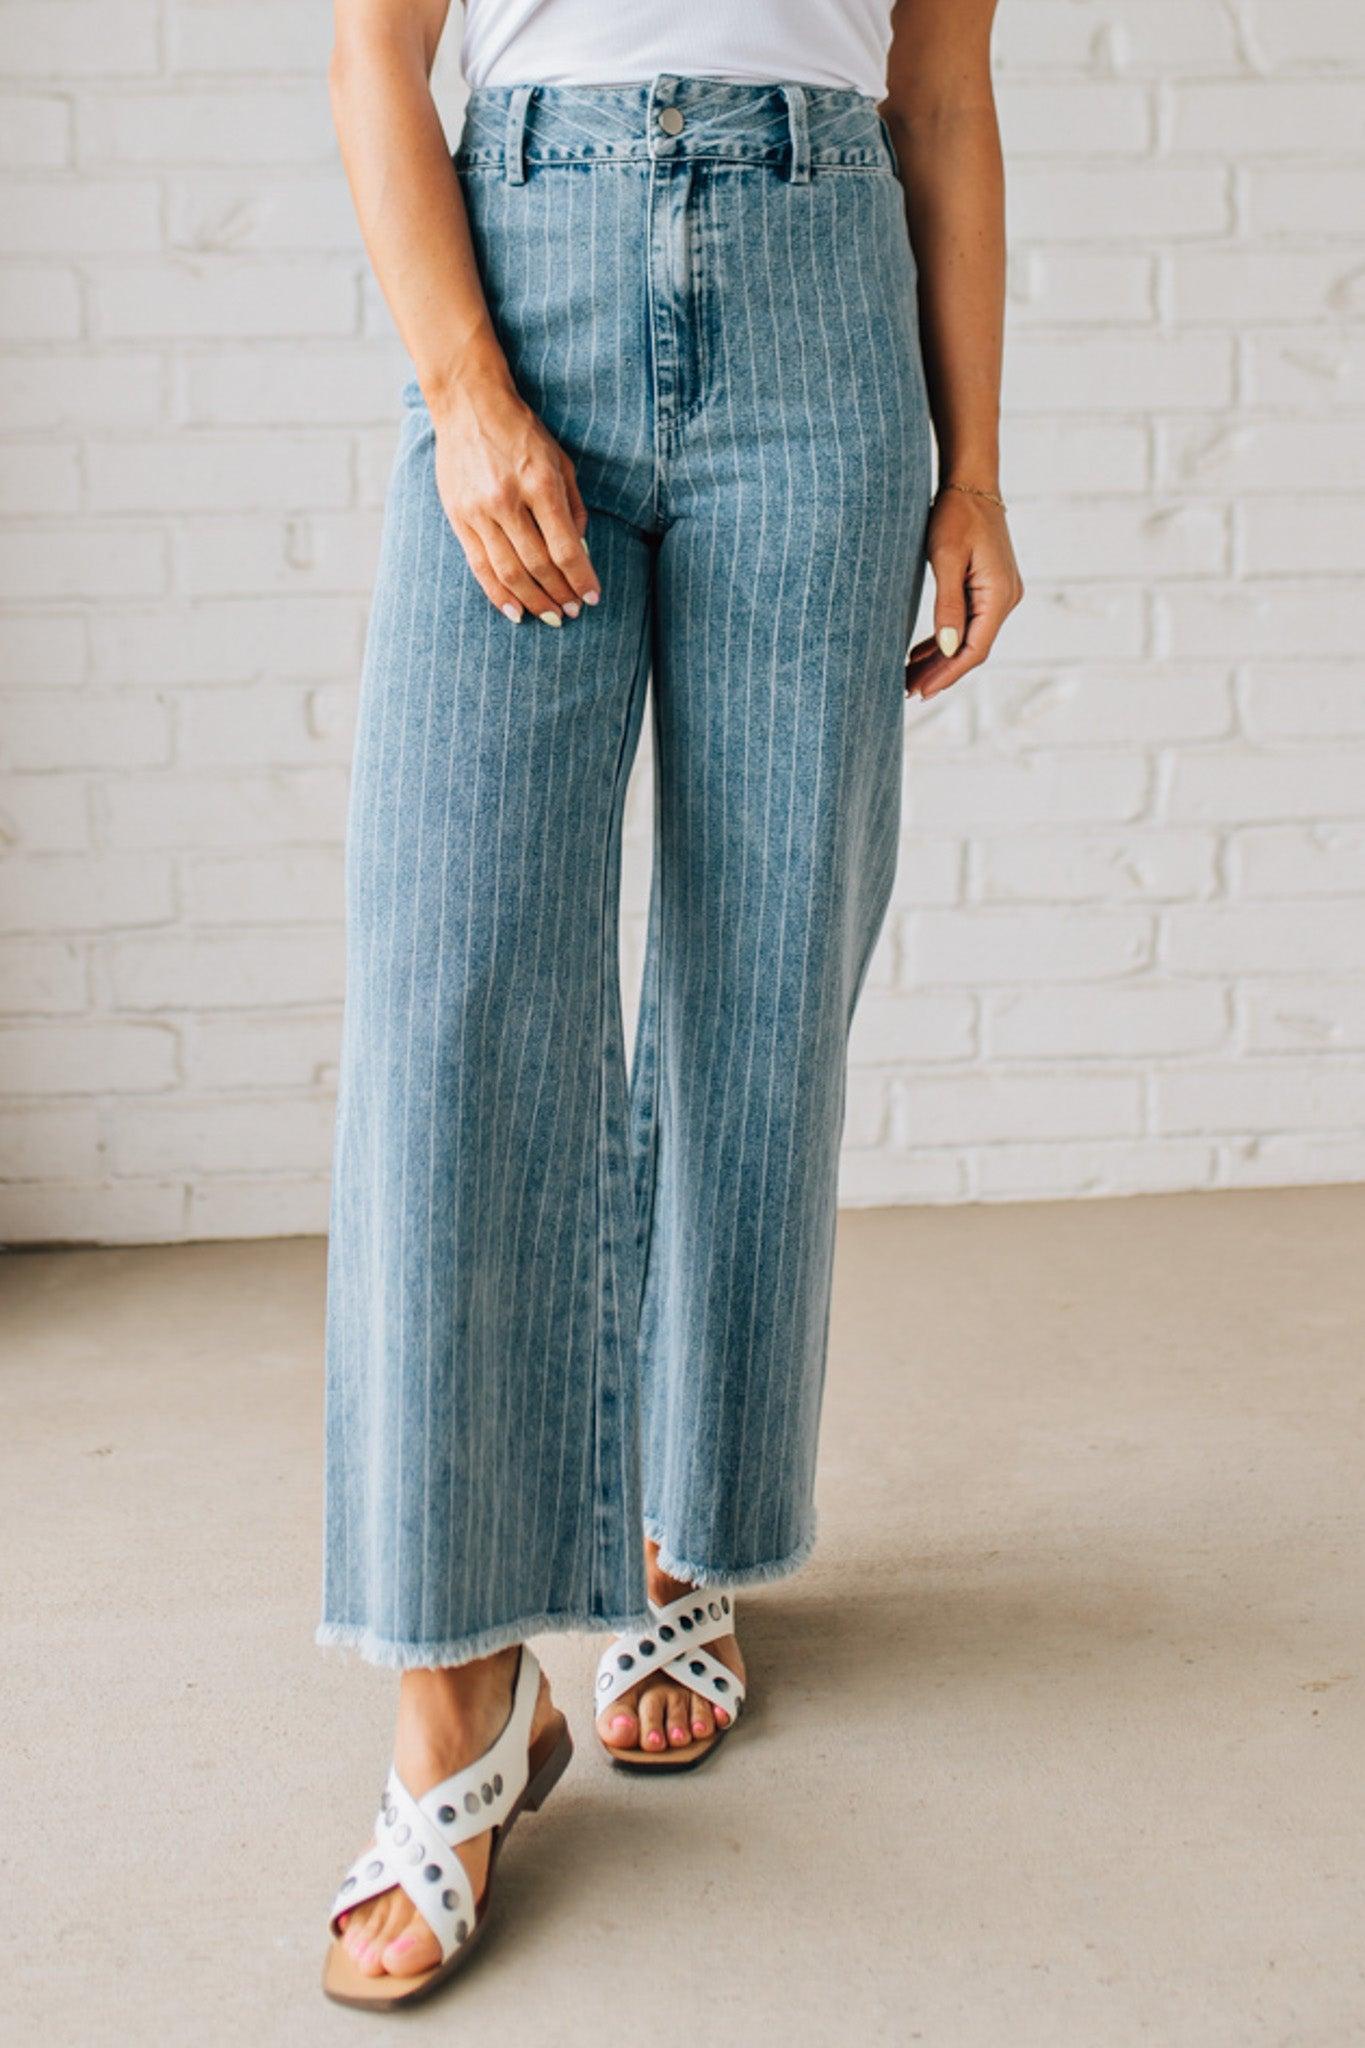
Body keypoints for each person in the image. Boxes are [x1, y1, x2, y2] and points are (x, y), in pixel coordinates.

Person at [319, 0, 1022, 2008]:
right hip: (523, 270)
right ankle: (456, 1705)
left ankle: (676, 1535)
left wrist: (973, 471)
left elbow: (945, 98)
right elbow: (376, 52)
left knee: (759, 975)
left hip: (823, 318)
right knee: (456, 1009)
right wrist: (463, 392)